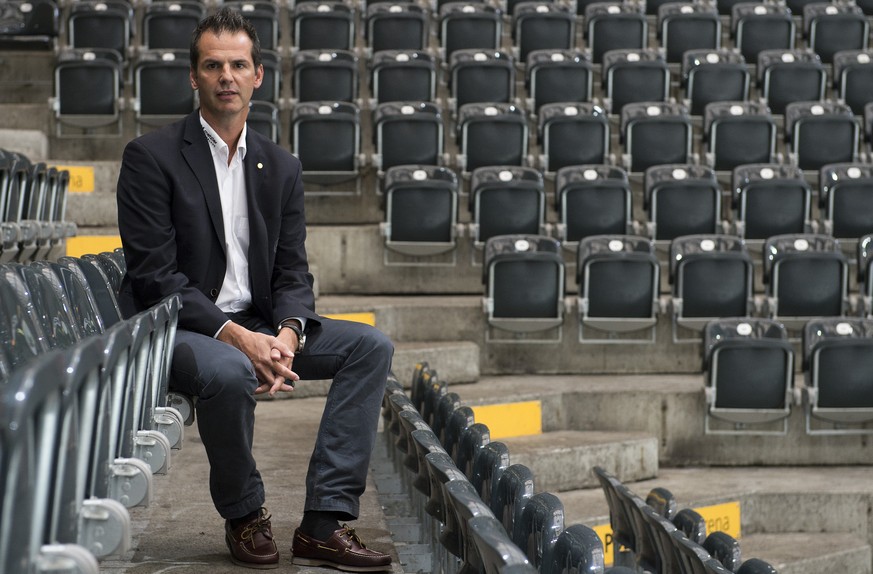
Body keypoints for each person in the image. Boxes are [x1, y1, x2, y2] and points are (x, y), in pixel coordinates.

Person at [115, 7, 394, 571]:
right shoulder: (151, 158)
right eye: (213, 65)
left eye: (238, 64)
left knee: (371, 347)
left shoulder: (281, 166)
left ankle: (323, 523)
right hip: (182, 327)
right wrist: (239, 337)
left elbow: (293, 271)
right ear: (194, 77)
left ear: (257, 75)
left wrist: (288, 333)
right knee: (229, 369)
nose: (226, 76)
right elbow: (156, 278)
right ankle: (244, 514)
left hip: (259, 322)